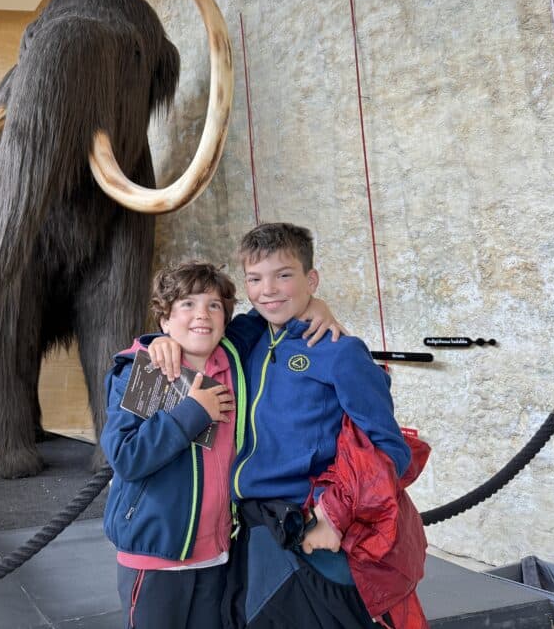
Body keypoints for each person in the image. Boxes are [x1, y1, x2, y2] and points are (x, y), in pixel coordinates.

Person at [148, 223, 421, 628]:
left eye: (284, 275)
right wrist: (158, 341)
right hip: (250, 530)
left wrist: (333, 513)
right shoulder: (246, 337)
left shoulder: (341, 353)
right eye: (256, 279)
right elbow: (196, 332)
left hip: (311, 531)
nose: (269, 289)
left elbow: (390, 449)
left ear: (311, 279)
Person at [101, 260, 344, 629]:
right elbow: (126, 456)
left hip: (217, 553)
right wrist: (192, 412)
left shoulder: (232, 353)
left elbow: (272, 310)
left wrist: (316, 305)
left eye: (214, 305)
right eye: (187, 304)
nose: (202, 314)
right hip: (157, 554)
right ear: (164, 319)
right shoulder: (146, 370)